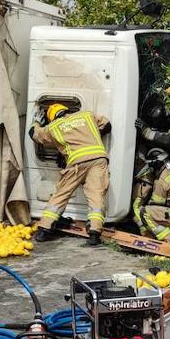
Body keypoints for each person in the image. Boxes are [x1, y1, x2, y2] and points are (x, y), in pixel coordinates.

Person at [28, 102, 111, 245]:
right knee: (96, 194)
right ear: (66, 110)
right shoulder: (86, 115)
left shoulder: (53, 127)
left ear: (52, 117)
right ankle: (94, 233)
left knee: (61, 194)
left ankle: (44, 229)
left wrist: (35, 122)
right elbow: (107, 125)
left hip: (76, 163)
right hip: (98, 158)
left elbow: (34, 135)